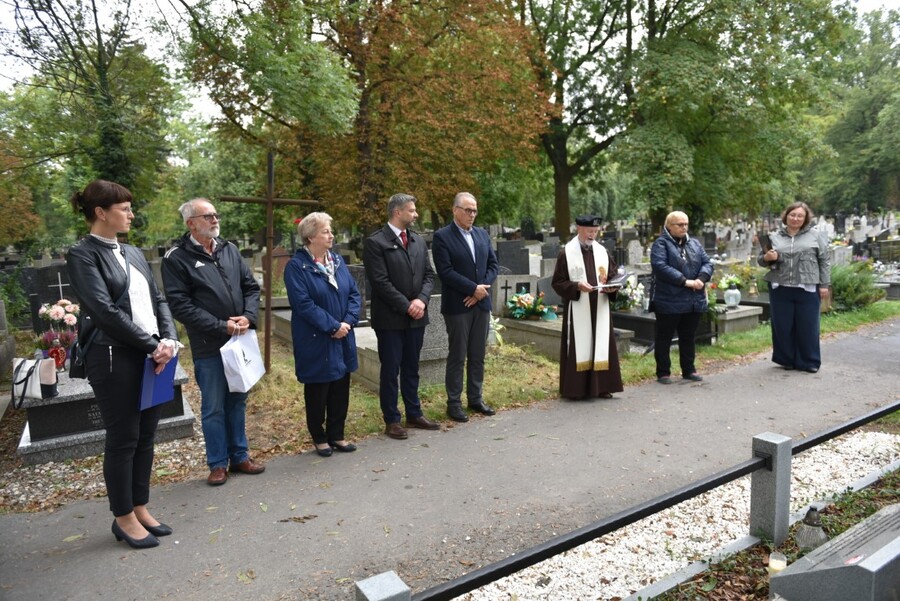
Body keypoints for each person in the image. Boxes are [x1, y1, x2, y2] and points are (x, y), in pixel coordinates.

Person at [66, 179, 180, 549]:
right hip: (114, 357)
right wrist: (151, 345)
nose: (131, 213)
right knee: (123, 437)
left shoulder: (131, 253)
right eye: (124, 208)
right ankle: (123, 517)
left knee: (147, 434)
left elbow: (158, 299)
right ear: (101, 213)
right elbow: (103, 310)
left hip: (153, 355)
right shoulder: (82, 254)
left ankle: (140, 506)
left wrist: (168, 339)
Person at [161, 198, 266, 486]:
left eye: (215, 215)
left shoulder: (229, 249)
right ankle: (218, 463)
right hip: (210, 345)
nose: (214, 219)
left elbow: (250, 287)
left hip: (239, 340)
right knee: (214, 406)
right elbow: (181, 306)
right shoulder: (176, 258)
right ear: (191, 223)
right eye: (207, 216)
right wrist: (222, 326)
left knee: (238, 400)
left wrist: (247, 316)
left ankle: (240, 456)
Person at [363, 193, 439, 440]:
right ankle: (392, 419)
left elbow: (429, 276)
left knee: (411, 367)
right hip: (390, 320)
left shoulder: (417, 241)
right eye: (412, 210)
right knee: (391, 369)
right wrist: (407, 305)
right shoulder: (376, 242)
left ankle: (414, 413)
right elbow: (380, 282)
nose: (416, 214)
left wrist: (421, 300)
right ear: (397, 212)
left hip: (417, 317)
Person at [284, 212, 361, 456]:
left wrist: (347, 322)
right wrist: (333, 326)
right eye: (326, 231)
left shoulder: (336, 260)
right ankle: (319, 437)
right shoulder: (297, 267)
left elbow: (354, 294)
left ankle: (337, 434)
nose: (331, 235)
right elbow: (304, 304)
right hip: (316, 338)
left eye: (330, 230)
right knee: (319, 388)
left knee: (340, 385)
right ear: (310, 237)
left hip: (343, 334)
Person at [431, 192, 499, 422]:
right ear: (455, 210)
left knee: (478, 354)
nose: (472, 214)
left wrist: (481, 292)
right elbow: (446, 271)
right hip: (458, 306)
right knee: (458, 355)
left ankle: (476, 398)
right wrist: (472, 289)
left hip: (481, 304)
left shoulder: (481, 234)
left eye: (474, 210)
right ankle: (454, 403)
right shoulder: (442, 237)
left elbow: (493, 264)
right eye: (468, 210)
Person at [551, 215, 624, 400]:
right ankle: (576, 389)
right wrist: (576, 286)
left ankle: (602, 387)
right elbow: (558, 282)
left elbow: (613, 276)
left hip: (599, 307)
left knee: (601, 344)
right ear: (579, 229)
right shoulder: (567, 253)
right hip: (578, 309)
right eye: (589, 231)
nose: (593, 235)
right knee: (579, 345)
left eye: (595, 231)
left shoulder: (602, 252)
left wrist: (613, 285)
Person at [758, 201, 831, 373]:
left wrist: (824, 285)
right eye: (792, 215)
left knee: (808, 326)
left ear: (805, 218)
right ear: (786, 216)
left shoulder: (815, 235)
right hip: (780, 288)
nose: (795, 218)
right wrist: (767, 258)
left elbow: (824, 260)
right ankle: (786, 359)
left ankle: (809, 361)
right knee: (782, 326)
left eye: (800, 216)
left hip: (806, 287)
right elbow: (761, 260)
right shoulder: (775, 237)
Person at [649, 211, 714, 384]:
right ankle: (663, 372)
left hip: (693, 299)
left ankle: (689, 369)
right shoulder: (660, 244)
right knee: (665, 337)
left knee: (688, 336)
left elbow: (707, 263)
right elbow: (660, 266)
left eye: (686, 224)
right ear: (669, 226)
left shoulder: (694, 244)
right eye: (679, 224)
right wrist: (685, 282)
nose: (684, 227)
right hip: (669, 299)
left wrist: (701, 279)